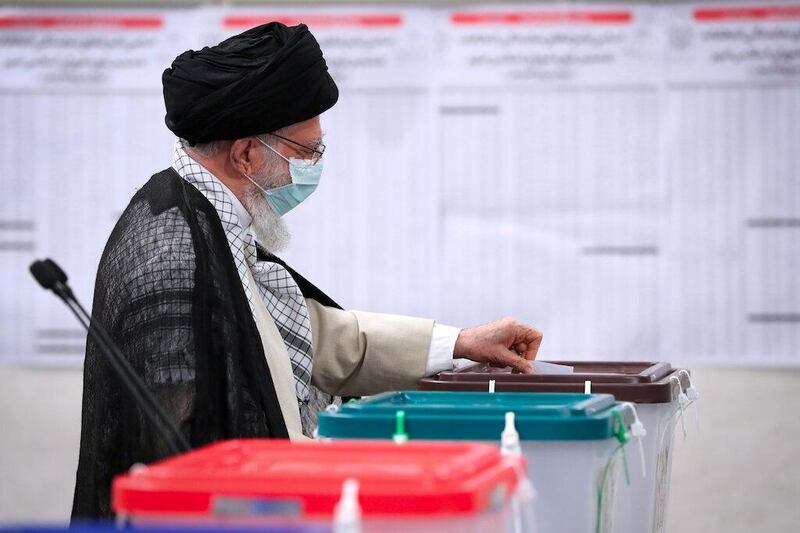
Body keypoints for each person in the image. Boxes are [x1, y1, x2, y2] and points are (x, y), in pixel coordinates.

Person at [71, 21, 543, 518]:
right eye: (306, 151)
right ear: (247, 153)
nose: (315, 164)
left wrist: (461, 343)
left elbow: (304, 332)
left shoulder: (207, 218)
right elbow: (188, 446)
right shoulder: (173, 253)